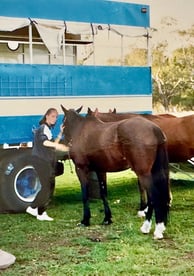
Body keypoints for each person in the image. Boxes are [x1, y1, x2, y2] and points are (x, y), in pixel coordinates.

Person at [26, 108, 69, 221]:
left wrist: (60, 133)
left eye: (56, 117)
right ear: (47, 116)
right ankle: (38, 211)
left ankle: (35, 209)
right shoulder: (43, 128)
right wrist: (59, 147)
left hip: (44, 161)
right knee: (47, 187)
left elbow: (53, 143)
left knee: (48, 186)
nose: (55, 119)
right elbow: (44, 142)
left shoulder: (47, 129)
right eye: (53, 116)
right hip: (41, 161)